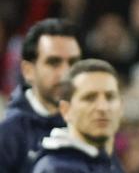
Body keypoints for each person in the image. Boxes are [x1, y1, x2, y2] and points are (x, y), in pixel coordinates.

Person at [0, 18, 82, 172]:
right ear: (28, 71)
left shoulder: (89, 125)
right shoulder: (8, 133)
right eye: (54, 62)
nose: (66, 73)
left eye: (73, 62)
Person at [32, 59, 124, 172]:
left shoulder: (110, 164)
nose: (103, 107)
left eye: (110, 97)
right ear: (66, 110)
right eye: (90, 98)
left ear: (121, 107)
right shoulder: (55, 169)